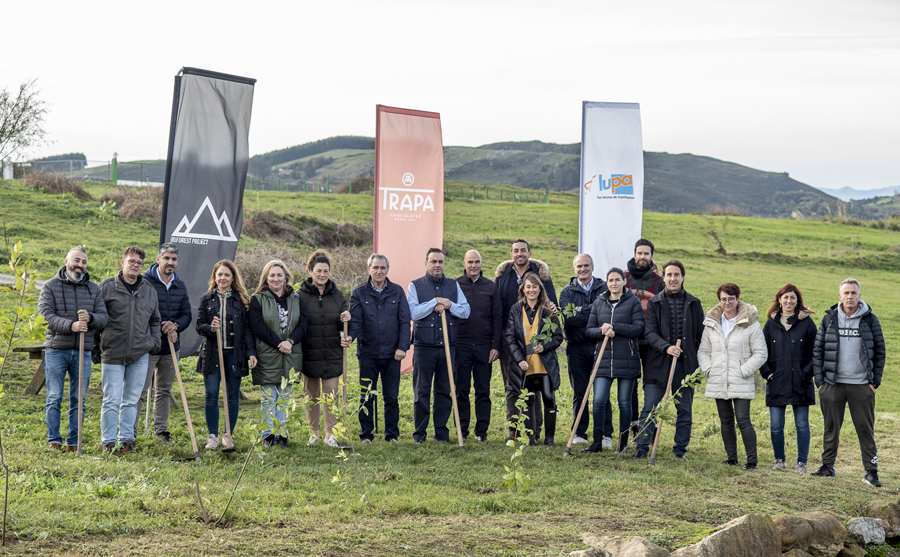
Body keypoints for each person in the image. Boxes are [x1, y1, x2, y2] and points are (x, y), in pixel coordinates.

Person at [812, 278, 886, 486]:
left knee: (865, 428)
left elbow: (880, 351)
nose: (850, 296)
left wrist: (875, 382)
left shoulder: (870, 320)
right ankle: (827, 467)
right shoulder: (829, 319)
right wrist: (820, 382)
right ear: (840, 296)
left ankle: (871, 472)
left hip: (861, 385)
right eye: (846, 293)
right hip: (832, 384)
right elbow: (817, 350)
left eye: (854, 293)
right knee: (831, 427)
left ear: (859, 296)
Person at [38, 246, 109, 451]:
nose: (80, 265)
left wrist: (91, 318)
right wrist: (71, 326)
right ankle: (54, 440)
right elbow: (45, 316)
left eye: (84, 262)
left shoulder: (94, 289)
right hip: (56, 350)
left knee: (79, 398)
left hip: (83, 351)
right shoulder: (50, 286)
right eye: (77, 260)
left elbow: (104, 318)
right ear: (67, 261)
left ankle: (73, 442)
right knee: (54, 396)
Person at [634, 259, 703, 460]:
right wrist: (666, 347)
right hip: (657, 365)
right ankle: (642, 448)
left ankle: (680, 449)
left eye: (676, 275)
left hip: (685, 367)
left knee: (684, 411)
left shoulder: (694, 303)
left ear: (683, 277)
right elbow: (650, 333)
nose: (673, 279)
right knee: (650, 408)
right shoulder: (654, 303)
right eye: (669, 275)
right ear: (663, 278)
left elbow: (700, 335)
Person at [94, 247, 161, 456]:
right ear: (122, 262)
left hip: (140, 352)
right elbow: (96, 320)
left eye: (139, 263)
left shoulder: (149, 290)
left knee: (132, 399)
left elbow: (155, 320)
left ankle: (127, 440)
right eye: (131, 261)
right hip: (113, 351)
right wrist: (96, 347)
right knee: (111, 399)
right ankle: (108, 441)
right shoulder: (105, 288)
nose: (135, 265)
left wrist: (153, 342)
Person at [698, 283, 767, 470]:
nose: (727, 302)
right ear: (719, 300)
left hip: (741, 379)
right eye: (723, 299)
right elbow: (703, 351)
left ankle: (752, 461)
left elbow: (761, 353)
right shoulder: (712, 323)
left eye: (731, 298)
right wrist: (709, 370)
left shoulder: (750, 323)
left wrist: (744, 370)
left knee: (743, 419)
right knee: (725, 420)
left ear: (737, 299)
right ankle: (732, 458)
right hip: (719, 378)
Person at [345, 254, 410, 444]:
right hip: (368, 353)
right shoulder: (358, 293)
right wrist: (350, 336)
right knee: (366, 397)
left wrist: (402, 347)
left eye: (382, 268)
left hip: (392, 355)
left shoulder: (397, 292)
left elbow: (405, 322)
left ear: (387, 269)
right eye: (375, 268)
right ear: (369, 269)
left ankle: (392, 435)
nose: (379, 271)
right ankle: (366, 435)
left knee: (391, 397)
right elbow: (356, 321)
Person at [407, 248, 471, 443]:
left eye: (440, 262)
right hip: (423, 347)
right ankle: (420, 434)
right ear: (426, 263)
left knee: (445, 390)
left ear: (444, 264)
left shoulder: (454, 285)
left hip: (447, 347)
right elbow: (414, 313)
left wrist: (449, 304)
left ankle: (441, 433)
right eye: (433, 261)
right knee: (421, 391)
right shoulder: (415, 286)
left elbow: (466, 311)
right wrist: (434, 302)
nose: (437, 265)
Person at [495, 239, 557, 438]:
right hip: (510, 343)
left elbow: (552, 304)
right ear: (511, 254)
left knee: (535, 387)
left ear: (530, 253)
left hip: (535, 344)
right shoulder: (503, 276)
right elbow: (496, 310)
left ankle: (534, 431)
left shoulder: (542, 276)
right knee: (512, 388)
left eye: (523, 250)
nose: (519, 253)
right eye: (515, 250)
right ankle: (513, 430)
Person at [196, 260, 257, 450]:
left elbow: (247, 329)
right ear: (215, 277)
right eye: (219, 274)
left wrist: (251, 352)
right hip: (212, 354)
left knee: (232, 395)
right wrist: (210, 327)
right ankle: (212, 436)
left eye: (227, 275)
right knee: (211, 394)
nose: (223, 278)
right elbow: (199, 326)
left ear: (233, 278)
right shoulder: (206, 298)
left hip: (234, 354)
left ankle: (227, 434)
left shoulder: (241, 299)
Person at [134, 243, 192, 445]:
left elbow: (187, 315)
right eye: (166, 258)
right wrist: (160, 326)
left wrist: (175, 325)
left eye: (174, 259)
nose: (170, 262)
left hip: (171, 348)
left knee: (164, 390)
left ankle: (161, 430)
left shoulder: (180, 285)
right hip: (148, 346)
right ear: (158, 259)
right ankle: (130, 431)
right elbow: (140, 313)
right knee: (139, 390)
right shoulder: (144, 282)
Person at [583, 268, 643, 453]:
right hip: (603, 359)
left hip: (627, 359)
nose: (614, 283)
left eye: (618, 280)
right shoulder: (599, 302)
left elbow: (639, 328)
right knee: (599, 400)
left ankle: (623, 443)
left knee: (624, 402)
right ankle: (597, 442)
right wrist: (602, 330)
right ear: (606, 283)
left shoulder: (633, 302)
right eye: (611, 280)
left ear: (624, 282)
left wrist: (615, 327)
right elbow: (589, 331)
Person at [249, 260, 307, 448]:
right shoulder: (257, 299)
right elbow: (258, 328)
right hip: (267, 353)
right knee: (268, 398)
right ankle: (267, 436)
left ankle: (282, 435)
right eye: (272, 275)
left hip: (291, 354)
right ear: (266, 278)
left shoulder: (297, 299)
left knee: (283, 398)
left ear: (286, 277)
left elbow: (303, 326)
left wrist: (289, 342)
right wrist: (279, 344)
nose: (276, 278)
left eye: (279, 275)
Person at [760, 283, 816, 473]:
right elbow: (762, 352)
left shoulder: (807, 323)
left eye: (792, 297)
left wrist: (806, 373)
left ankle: (802, 462)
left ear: (797, 300)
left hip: (801, 382)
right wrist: (767, 373)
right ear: (779, 300)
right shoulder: (770, 323)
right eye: (786, 297)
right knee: (776, 425)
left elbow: (816, 352)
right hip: (777, 382)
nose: (789, 301)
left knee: (802, 424)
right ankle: (779, 460)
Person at [503, 272, 563, 446]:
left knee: (548, 400)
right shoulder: (515, 309)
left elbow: (558, 336)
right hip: (525, 365)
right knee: (527, 401)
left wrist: (545, 346)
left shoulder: (547, 309)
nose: (531, 290)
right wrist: (519, 359)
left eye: (534, 286)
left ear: (540, 289)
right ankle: (530, 438)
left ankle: (549, 438)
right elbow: (510, 337)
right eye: (528, 286)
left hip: (544, 365)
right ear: (523, 288)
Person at [297, 250, 350, 448]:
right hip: (309, 353)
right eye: (318, 270)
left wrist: (345, 320)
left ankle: (331, 434)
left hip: (332, 353)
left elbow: (343, 324)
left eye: (326, 271)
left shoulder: (337, 295)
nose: (322, 274)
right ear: (310, 270)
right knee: (311, 396)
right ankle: (314, 432)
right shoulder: (300, 295)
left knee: (331, 396)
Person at [558, 253, 608, 446]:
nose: (583, 269)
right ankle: (579, 432)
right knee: (580, 393)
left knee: (601, 394)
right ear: (574, 269)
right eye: (579, 266)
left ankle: (604, 434)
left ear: (593, 267)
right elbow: (569, 318)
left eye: (586, 265)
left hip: (600, 346)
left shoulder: (603, 287)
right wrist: (592, 311)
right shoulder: (566, 291)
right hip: (577, 348)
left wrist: (581, 310)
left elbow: (605, 314)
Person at [454, 250, 502, 442]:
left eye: (477, 262)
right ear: (464, 263)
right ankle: (462, 431)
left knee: (483, 391)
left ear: (482, 264)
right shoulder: (455, 285)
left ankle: (481, 432)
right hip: (461, 345)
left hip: (484, 347)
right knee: (461, 390)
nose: (474, 265)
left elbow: (498, 318)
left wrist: (495, 346)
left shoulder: (490, 287)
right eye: (470, 262)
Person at [624, 238, 666, 435]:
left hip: (651, 342)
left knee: (651, 384)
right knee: (630, 384)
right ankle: (633, 424)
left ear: (651, 256)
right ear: (634, 254)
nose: (642, 257)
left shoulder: (659, 281)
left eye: (646, 254)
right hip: (628, 340)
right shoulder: (623, 278)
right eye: (639, 253)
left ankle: (648, 423)